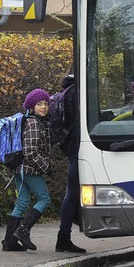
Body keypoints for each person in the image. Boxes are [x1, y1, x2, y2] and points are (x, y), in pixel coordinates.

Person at [3, 89, 53, 252]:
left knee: (22, 202)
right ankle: (23, 231)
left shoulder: (36, 121)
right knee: (44, 199)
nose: (43, 107)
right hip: (30, 169)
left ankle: (9, 241)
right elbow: (30, 152)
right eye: (39, 104)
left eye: (45, 103)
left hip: (20, 169)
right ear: (32, 107)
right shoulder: (33, 123)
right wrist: (46, 167)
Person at [55, 75, 86, 253]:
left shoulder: (66, 90)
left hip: (71, 146)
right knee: (72, 191)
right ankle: (63, 238)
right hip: (78, 146)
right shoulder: (76, 92)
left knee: (71, 191)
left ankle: (64, 237)